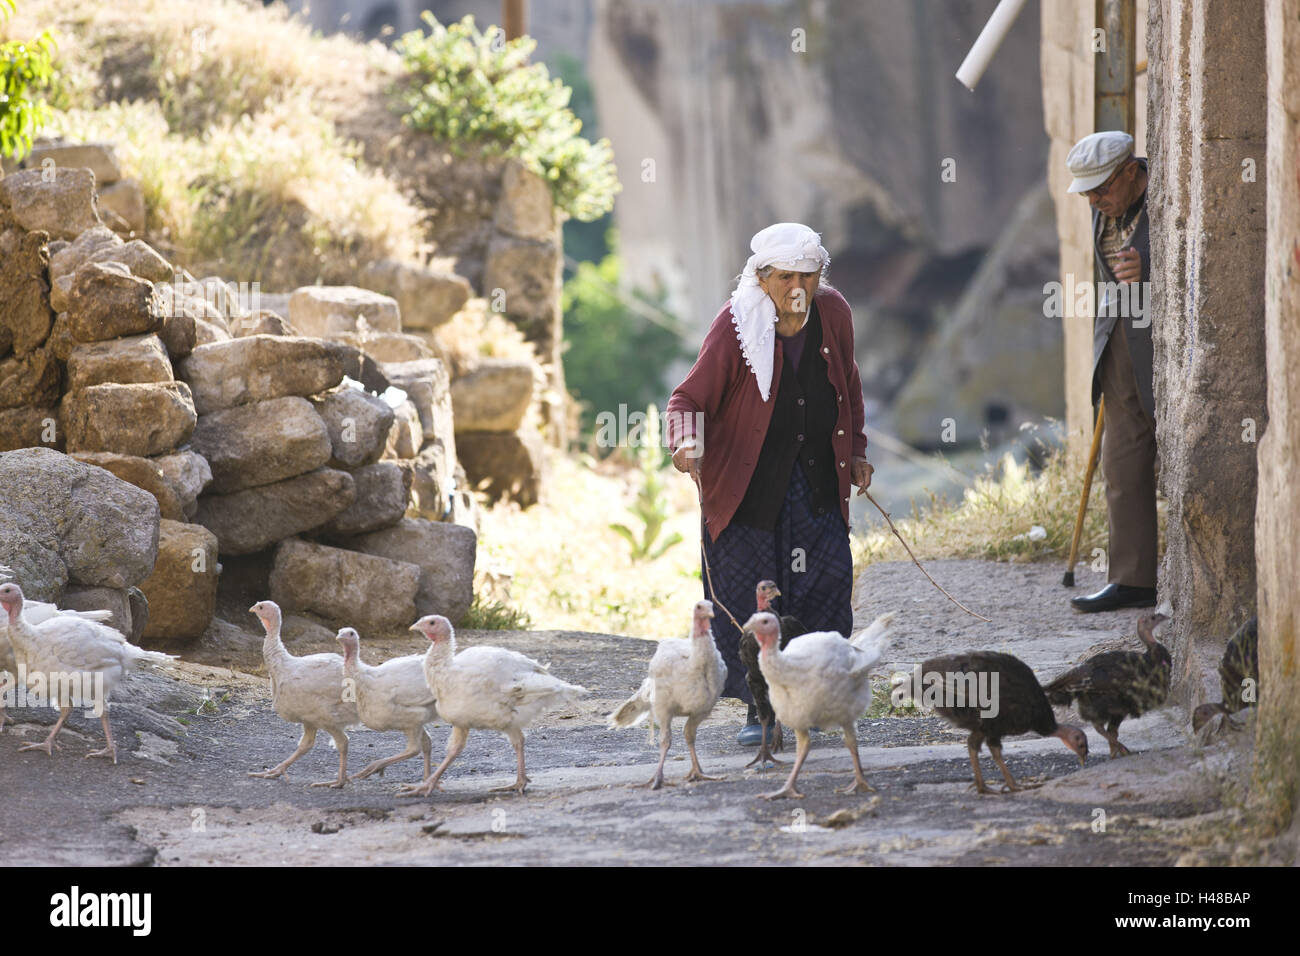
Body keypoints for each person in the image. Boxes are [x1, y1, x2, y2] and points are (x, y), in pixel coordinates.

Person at [665, 222, 873, 746]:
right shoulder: (736, 323)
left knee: (824, 586)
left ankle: (811, 700)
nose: (797, 287)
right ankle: (760, 712)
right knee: (751, 599)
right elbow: (686, 400)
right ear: (761, 279)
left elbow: (847, 383)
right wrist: (687, 442)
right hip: (748, 490)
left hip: (815, 483)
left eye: (808, 275)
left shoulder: (834, 312)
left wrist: (855, 450)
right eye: (785, 277)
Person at [1064, 131, 1158, 612]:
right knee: (1121, 462)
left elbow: (1204, 262)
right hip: (1119, 343)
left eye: (1101, 188)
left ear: (1130, 172)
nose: (1094, 200)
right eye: (1086, 192)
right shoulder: (1101, 207)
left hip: (1169, 346)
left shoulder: (1170, 193)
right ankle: (1133, 579)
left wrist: (1151, 270)